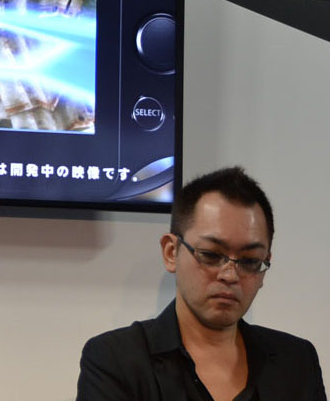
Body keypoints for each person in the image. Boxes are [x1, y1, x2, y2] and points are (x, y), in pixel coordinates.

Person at [77, 166, 326, 400]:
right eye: (211, 255)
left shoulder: (297, 361)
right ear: (171, 252)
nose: (230, 275)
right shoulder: (115, 360)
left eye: (250, 261)